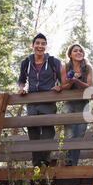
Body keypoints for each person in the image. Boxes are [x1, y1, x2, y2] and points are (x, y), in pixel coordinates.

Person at [17, 33, 62, 168]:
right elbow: (21, 79)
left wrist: (59, 86)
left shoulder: (54, 61)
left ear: (46, 47)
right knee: (33, 131)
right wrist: (21, 88)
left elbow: (61, 78)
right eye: (37, 43)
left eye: (43, 44)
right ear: (33, 46)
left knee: (48, 130)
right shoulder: (26, 62)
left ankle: (45, 163)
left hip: (48, 100)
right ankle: (36, 165)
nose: (40, 46)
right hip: (32, 101)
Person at [58, 44, 93, 166]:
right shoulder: (65, 68)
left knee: (80, 135)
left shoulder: (87, 68)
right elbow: (64, 86)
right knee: (69, 133)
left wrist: (77, 81)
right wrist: (70, 81)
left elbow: (89, 86)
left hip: (84, 104)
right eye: (75, 51)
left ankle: (74, 164)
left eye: (80, 51)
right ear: (70, 54)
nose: (78, 52)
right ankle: (67, 161)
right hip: (69, 103)